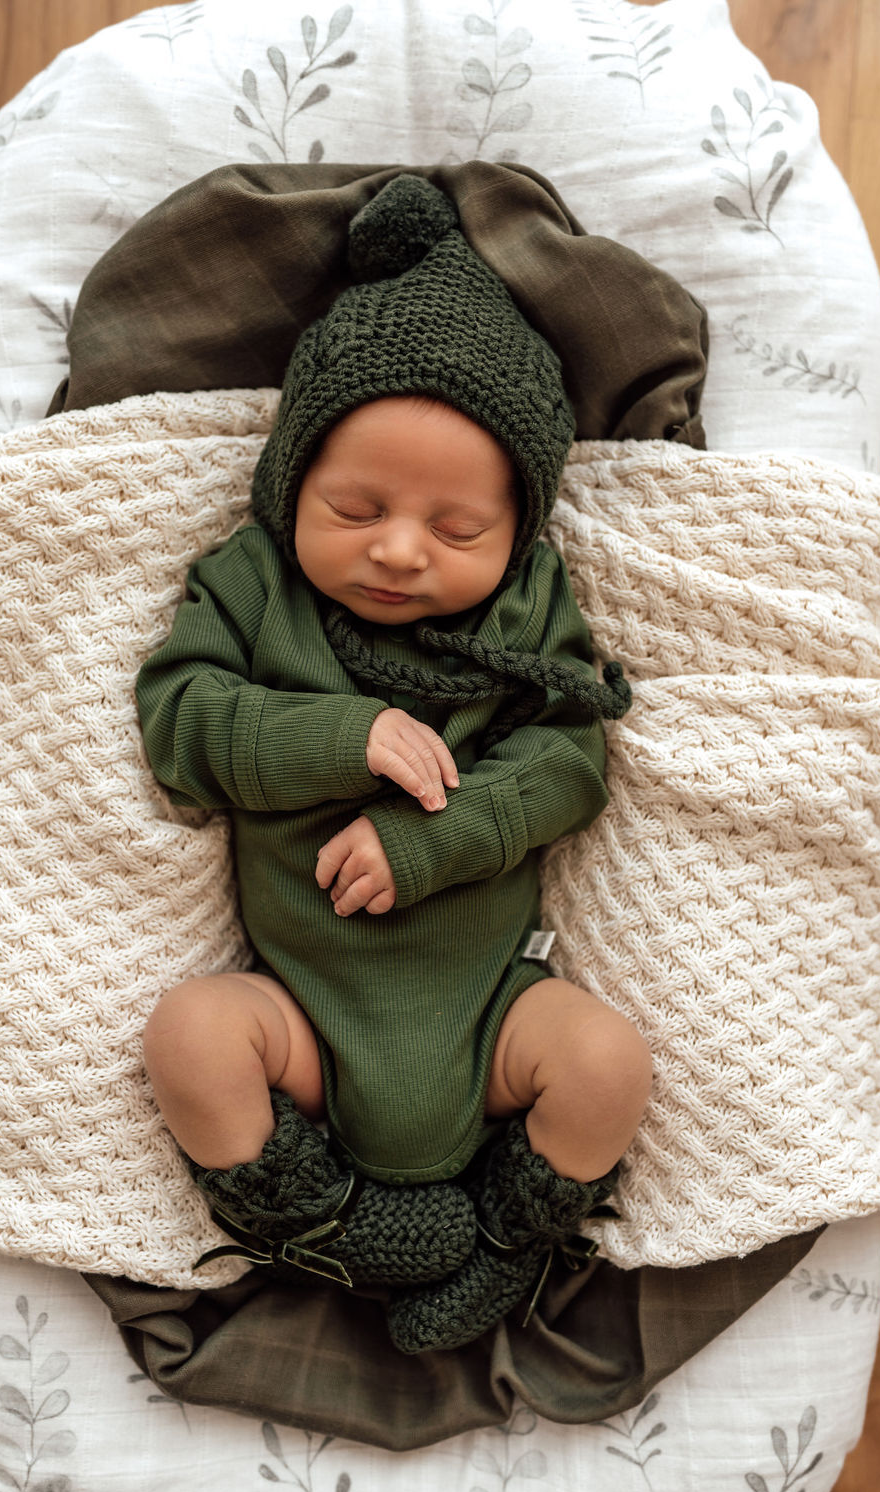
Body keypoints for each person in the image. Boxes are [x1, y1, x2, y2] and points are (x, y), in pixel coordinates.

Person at [135, 175, 652, 1353]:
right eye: (353, 506)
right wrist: (338, 738)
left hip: (487, 1020)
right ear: (288, 484)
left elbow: (569, 764)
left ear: (518, 534)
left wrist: (435, 837)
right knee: (188, 1035)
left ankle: (510, 1239)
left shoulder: (528, 617)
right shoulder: (255, 588)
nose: (399, 551)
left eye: (457, 530)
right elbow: (180, 718)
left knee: (608, 1063)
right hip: (301, 1022)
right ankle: (322, 1220)